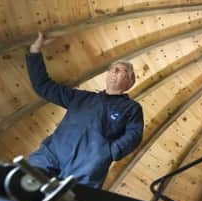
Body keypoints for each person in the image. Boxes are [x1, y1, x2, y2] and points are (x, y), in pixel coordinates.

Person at [26, 32, 144, 189]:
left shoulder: (131, 108)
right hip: (52, 154)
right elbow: (44, 87)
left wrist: (109, 152)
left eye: (120, 70)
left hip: (87, 166)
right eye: (112, 69)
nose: (113, 72)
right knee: (22, 185)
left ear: (129, 81)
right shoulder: (81, 98)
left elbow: (134, 134)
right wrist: (35, 51)